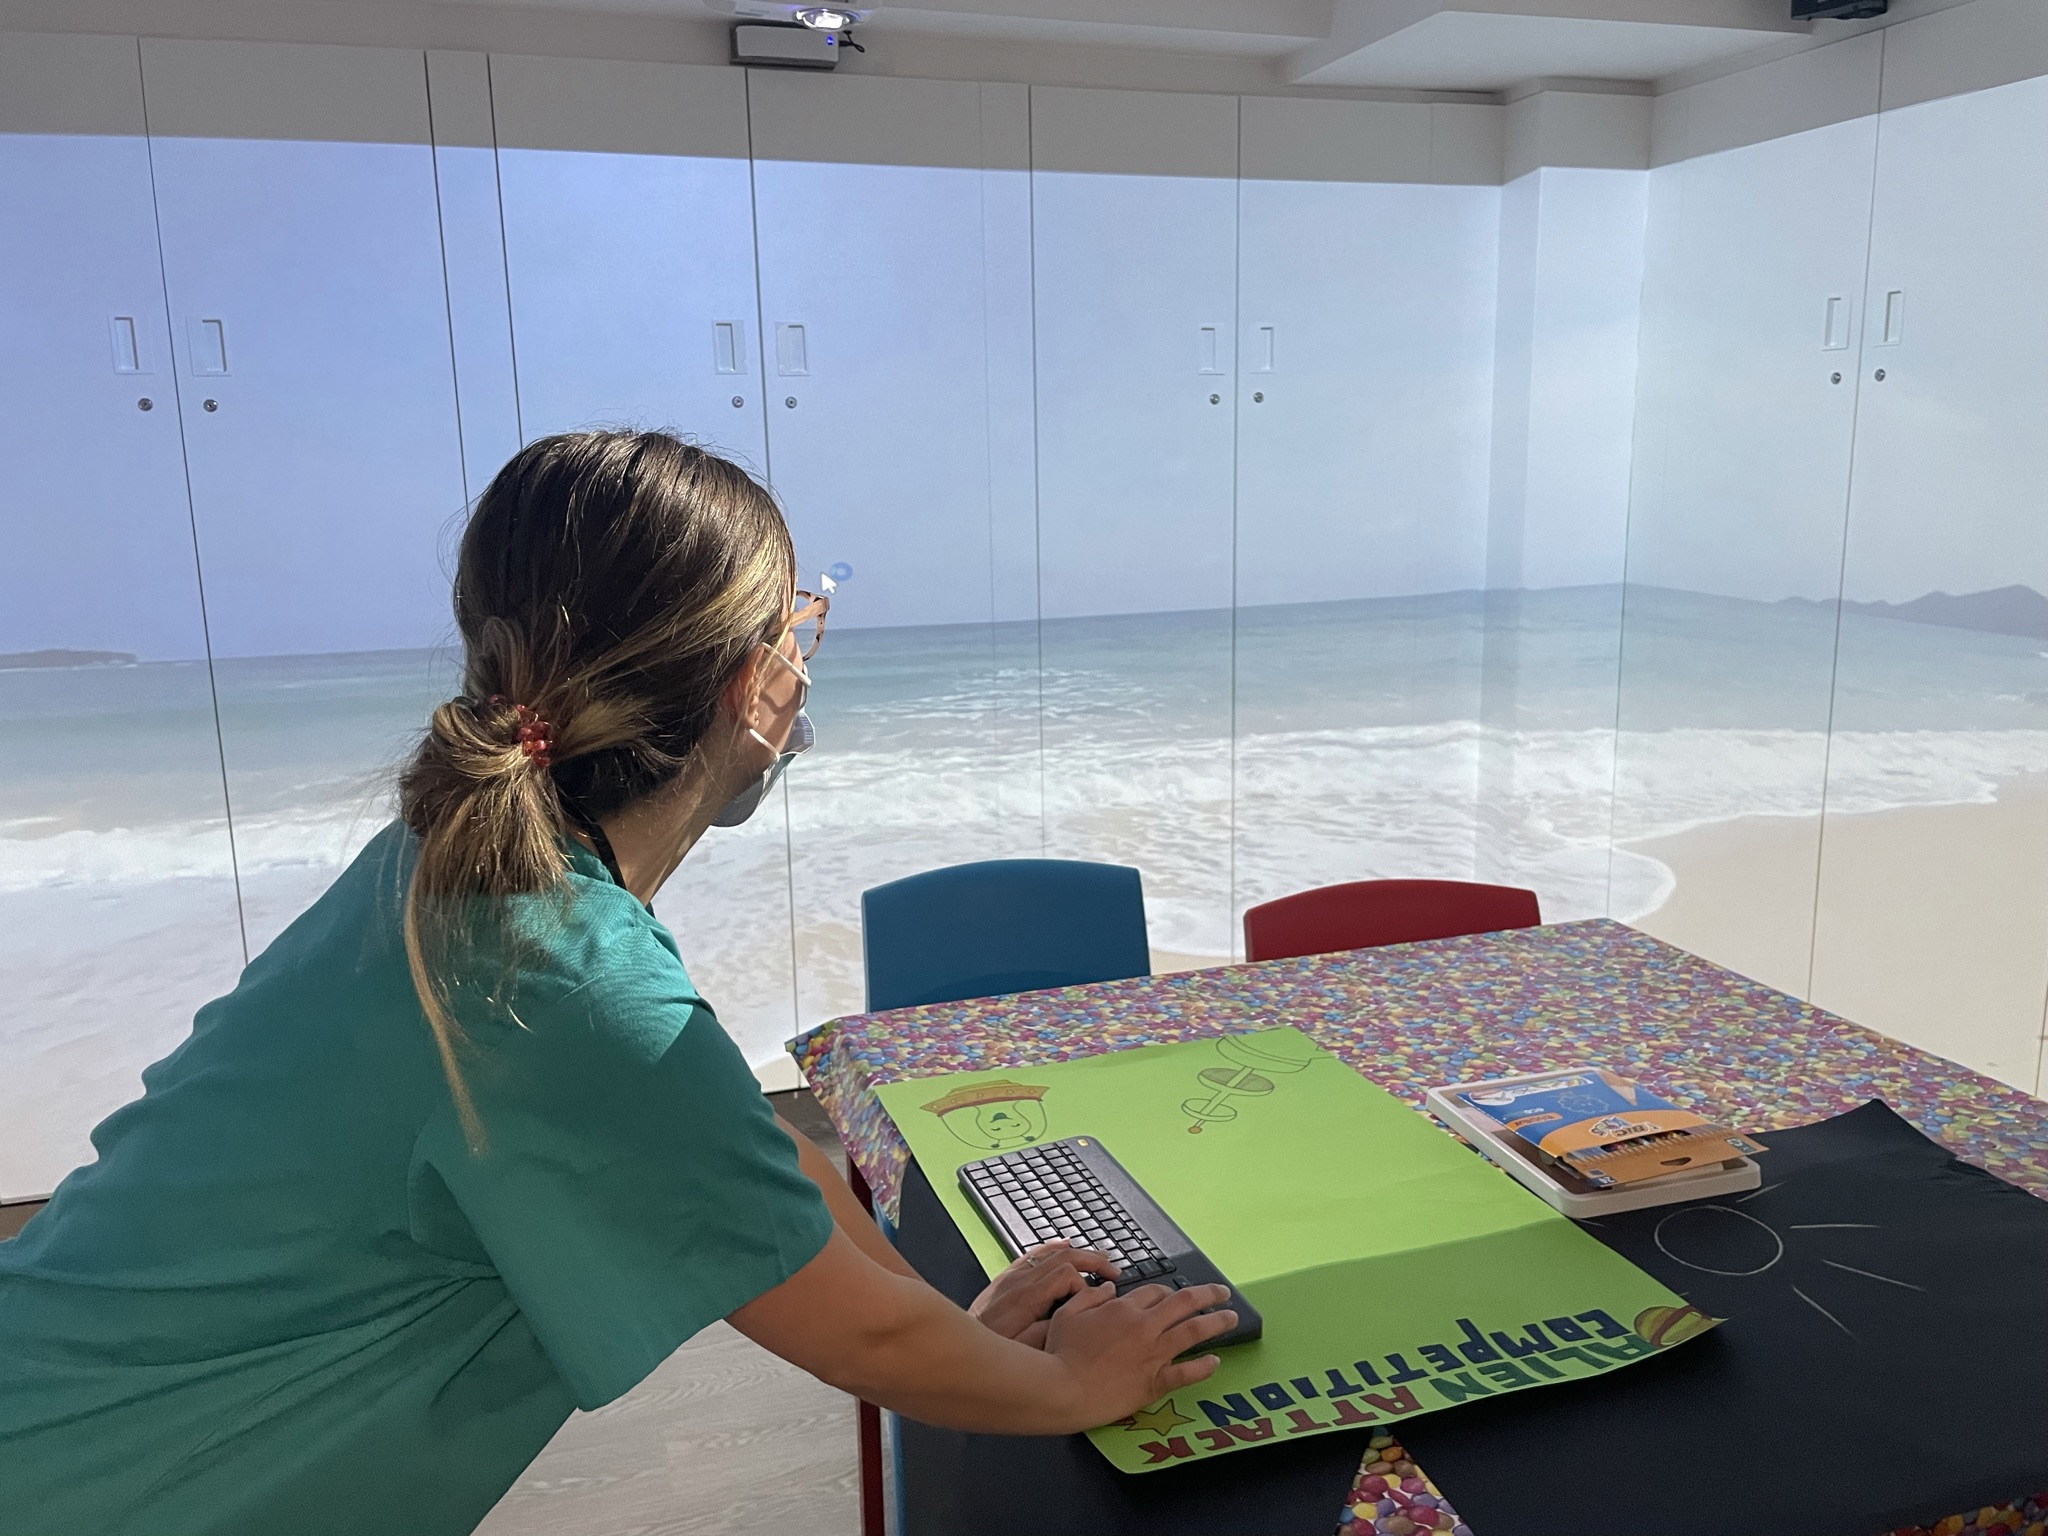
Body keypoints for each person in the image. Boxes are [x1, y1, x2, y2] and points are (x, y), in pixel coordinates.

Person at [0, 431, 1234, 1534]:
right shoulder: (565, 985)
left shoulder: (457, 876)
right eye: (798, 634)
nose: (802, 672)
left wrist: (961, 1329)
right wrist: (1068, 1385)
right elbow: (850, 1334)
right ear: (751, 689)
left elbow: (767, 1166)